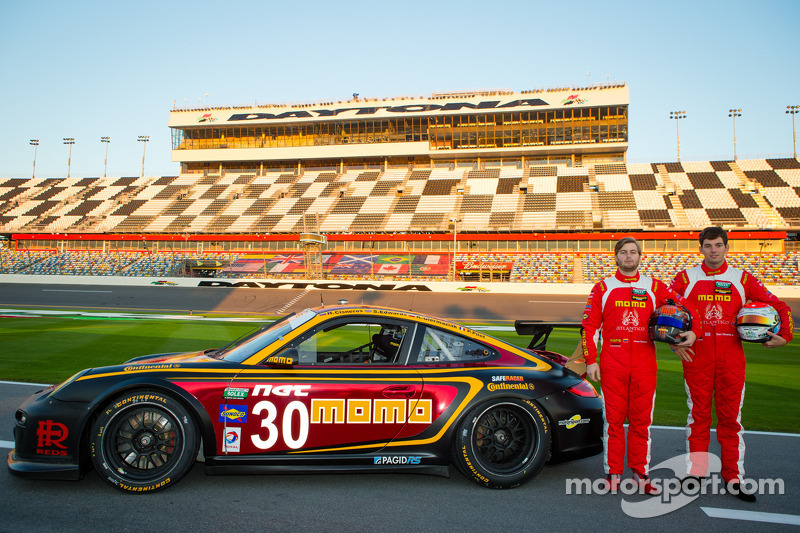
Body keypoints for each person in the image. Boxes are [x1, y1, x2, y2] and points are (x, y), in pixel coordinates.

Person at [670, 226, 794, 502]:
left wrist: (785, 336)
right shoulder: (685, 278)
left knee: (731, 421)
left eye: (718, 245)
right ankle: (696, 474)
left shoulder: (742, 278)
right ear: (700, 248)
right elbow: (663, 310)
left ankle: (733, 477)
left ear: (727, 247)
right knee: (698, 419)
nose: (713, 250)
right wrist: (673, 341)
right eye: (708, 246)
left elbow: (781, 306)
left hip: (731, 361)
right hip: (697, 359)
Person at [582, 237, 701, 495]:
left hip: (645, 366)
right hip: (612, 364)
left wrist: (694, 332)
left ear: (640, 257)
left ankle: (640, 473)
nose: (628, 256)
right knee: (612, 422)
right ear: (616, 257)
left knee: (642, 423)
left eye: (633, 252)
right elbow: (589, 327)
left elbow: (687, 306)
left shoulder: (654, 286)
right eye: (623, 252)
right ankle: (613, 473)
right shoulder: (603, 287)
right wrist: (591, 360)